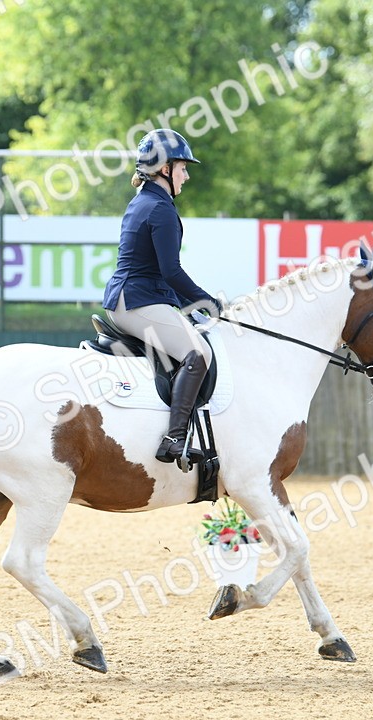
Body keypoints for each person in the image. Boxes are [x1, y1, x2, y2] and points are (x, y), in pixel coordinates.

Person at [102, 129, 222, 471]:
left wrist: (187, 305)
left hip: (136, 296)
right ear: (165, 169)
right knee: (197, 353)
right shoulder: (160, 209)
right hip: (136, 301)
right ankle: (175, 438)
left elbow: (158, 273)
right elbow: (171, 271)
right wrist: (205, 300)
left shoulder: (147, 201)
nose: (187, 174)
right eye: (183, 167)